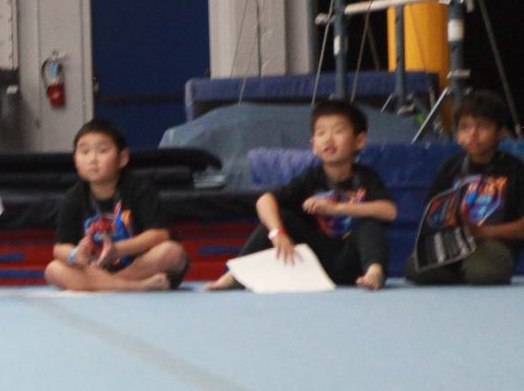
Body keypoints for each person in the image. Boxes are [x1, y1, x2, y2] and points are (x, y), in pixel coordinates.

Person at [210, 98, 396, 291]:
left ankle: (374, 272)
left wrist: (338, 208)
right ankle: (236, 274)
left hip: (352, 264)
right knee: (281, 217)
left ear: (359, 140)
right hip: (312, 262)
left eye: (338, 131)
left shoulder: (366, 177)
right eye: (321, 133)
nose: (329, 139)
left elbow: (389, 211)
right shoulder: (310, 178)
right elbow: (265, 201)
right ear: (314, 145)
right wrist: (278, 233)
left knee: (370, 223)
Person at [43, 119, 190, 292]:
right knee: (53, 270)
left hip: (138, 266)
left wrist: (118, 249)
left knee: (173, 253)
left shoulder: (139, 188)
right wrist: (76, 255)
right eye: (84, 152)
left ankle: (105, 285)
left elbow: (160, 234)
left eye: (103, 151)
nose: (93, 159)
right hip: (95, 269)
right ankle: (135, 287)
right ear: (75, 160)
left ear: (122, 158)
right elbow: (60, 248)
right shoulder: (73, 197)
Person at [404, 89, 523, 286]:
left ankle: (469, 271)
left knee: (484, 272)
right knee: (414, 267)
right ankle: (462, 272)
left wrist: (485, 232)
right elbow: (433, 213)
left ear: (501, 132)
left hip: (495, 243)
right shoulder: (450, 167)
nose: (473, 134)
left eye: (482, 127)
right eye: (465, 127)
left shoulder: (516, 170)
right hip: (454, 244)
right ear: (457, 134)